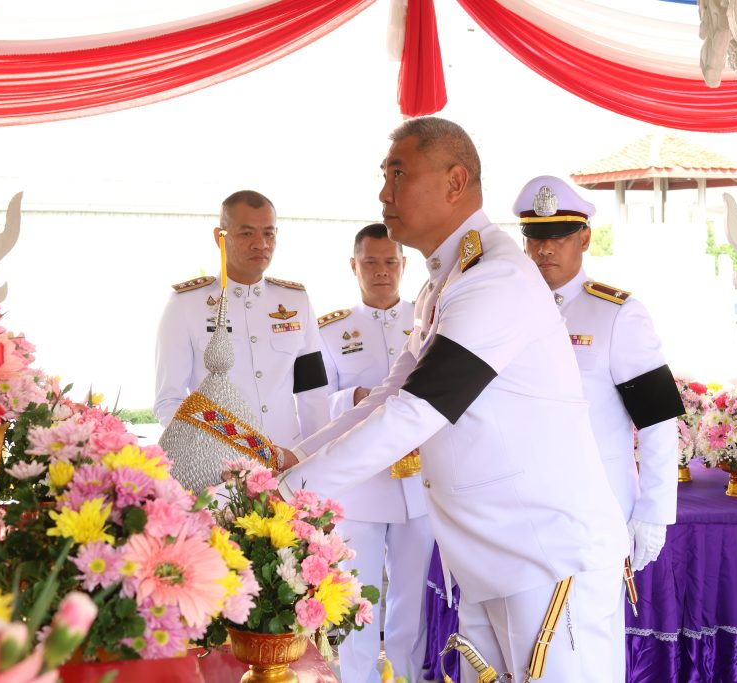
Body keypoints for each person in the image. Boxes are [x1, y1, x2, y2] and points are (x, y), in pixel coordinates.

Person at [274, 117, 627, 682]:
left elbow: (416, 411)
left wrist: (291, 493)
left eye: (398, 174)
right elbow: (391, 392)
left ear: (455, 182)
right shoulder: (449, 280)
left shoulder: (495, 279)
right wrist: (297, 458)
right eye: (384, 175)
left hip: (545, 556)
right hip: (495, 558)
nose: (384, 193)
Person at [515, 175, 684, 683]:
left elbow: (657, 420)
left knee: (589, 645)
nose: (545, 249)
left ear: (585, 237)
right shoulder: (505, 310)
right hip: (519, 511)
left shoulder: (617, 314)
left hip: (594, 516)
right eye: (535, 236)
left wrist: (653, 512)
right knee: (527, 647)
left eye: (559, 236)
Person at [316, 223, 433, 682]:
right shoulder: (330, 330)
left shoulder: (429, 321)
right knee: (357, 598)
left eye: (390, 262)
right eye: (370, 262)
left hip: (419, 483)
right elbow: (314, 403)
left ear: (403, 265)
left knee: (413, 599)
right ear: (354, 266)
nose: (381, 271)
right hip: (360, 485)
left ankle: (407, 676)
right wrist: (355, 397)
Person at [153, 190, 329, 446]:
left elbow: (313, 392)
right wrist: (212, 449)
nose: (261, 244)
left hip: (289, 458)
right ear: (220, 237)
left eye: (268, 233)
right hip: (220, 463)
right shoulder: (185, 304)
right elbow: (169, 400)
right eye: (247, 233)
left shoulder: (296, 301)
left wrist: (316, 456)